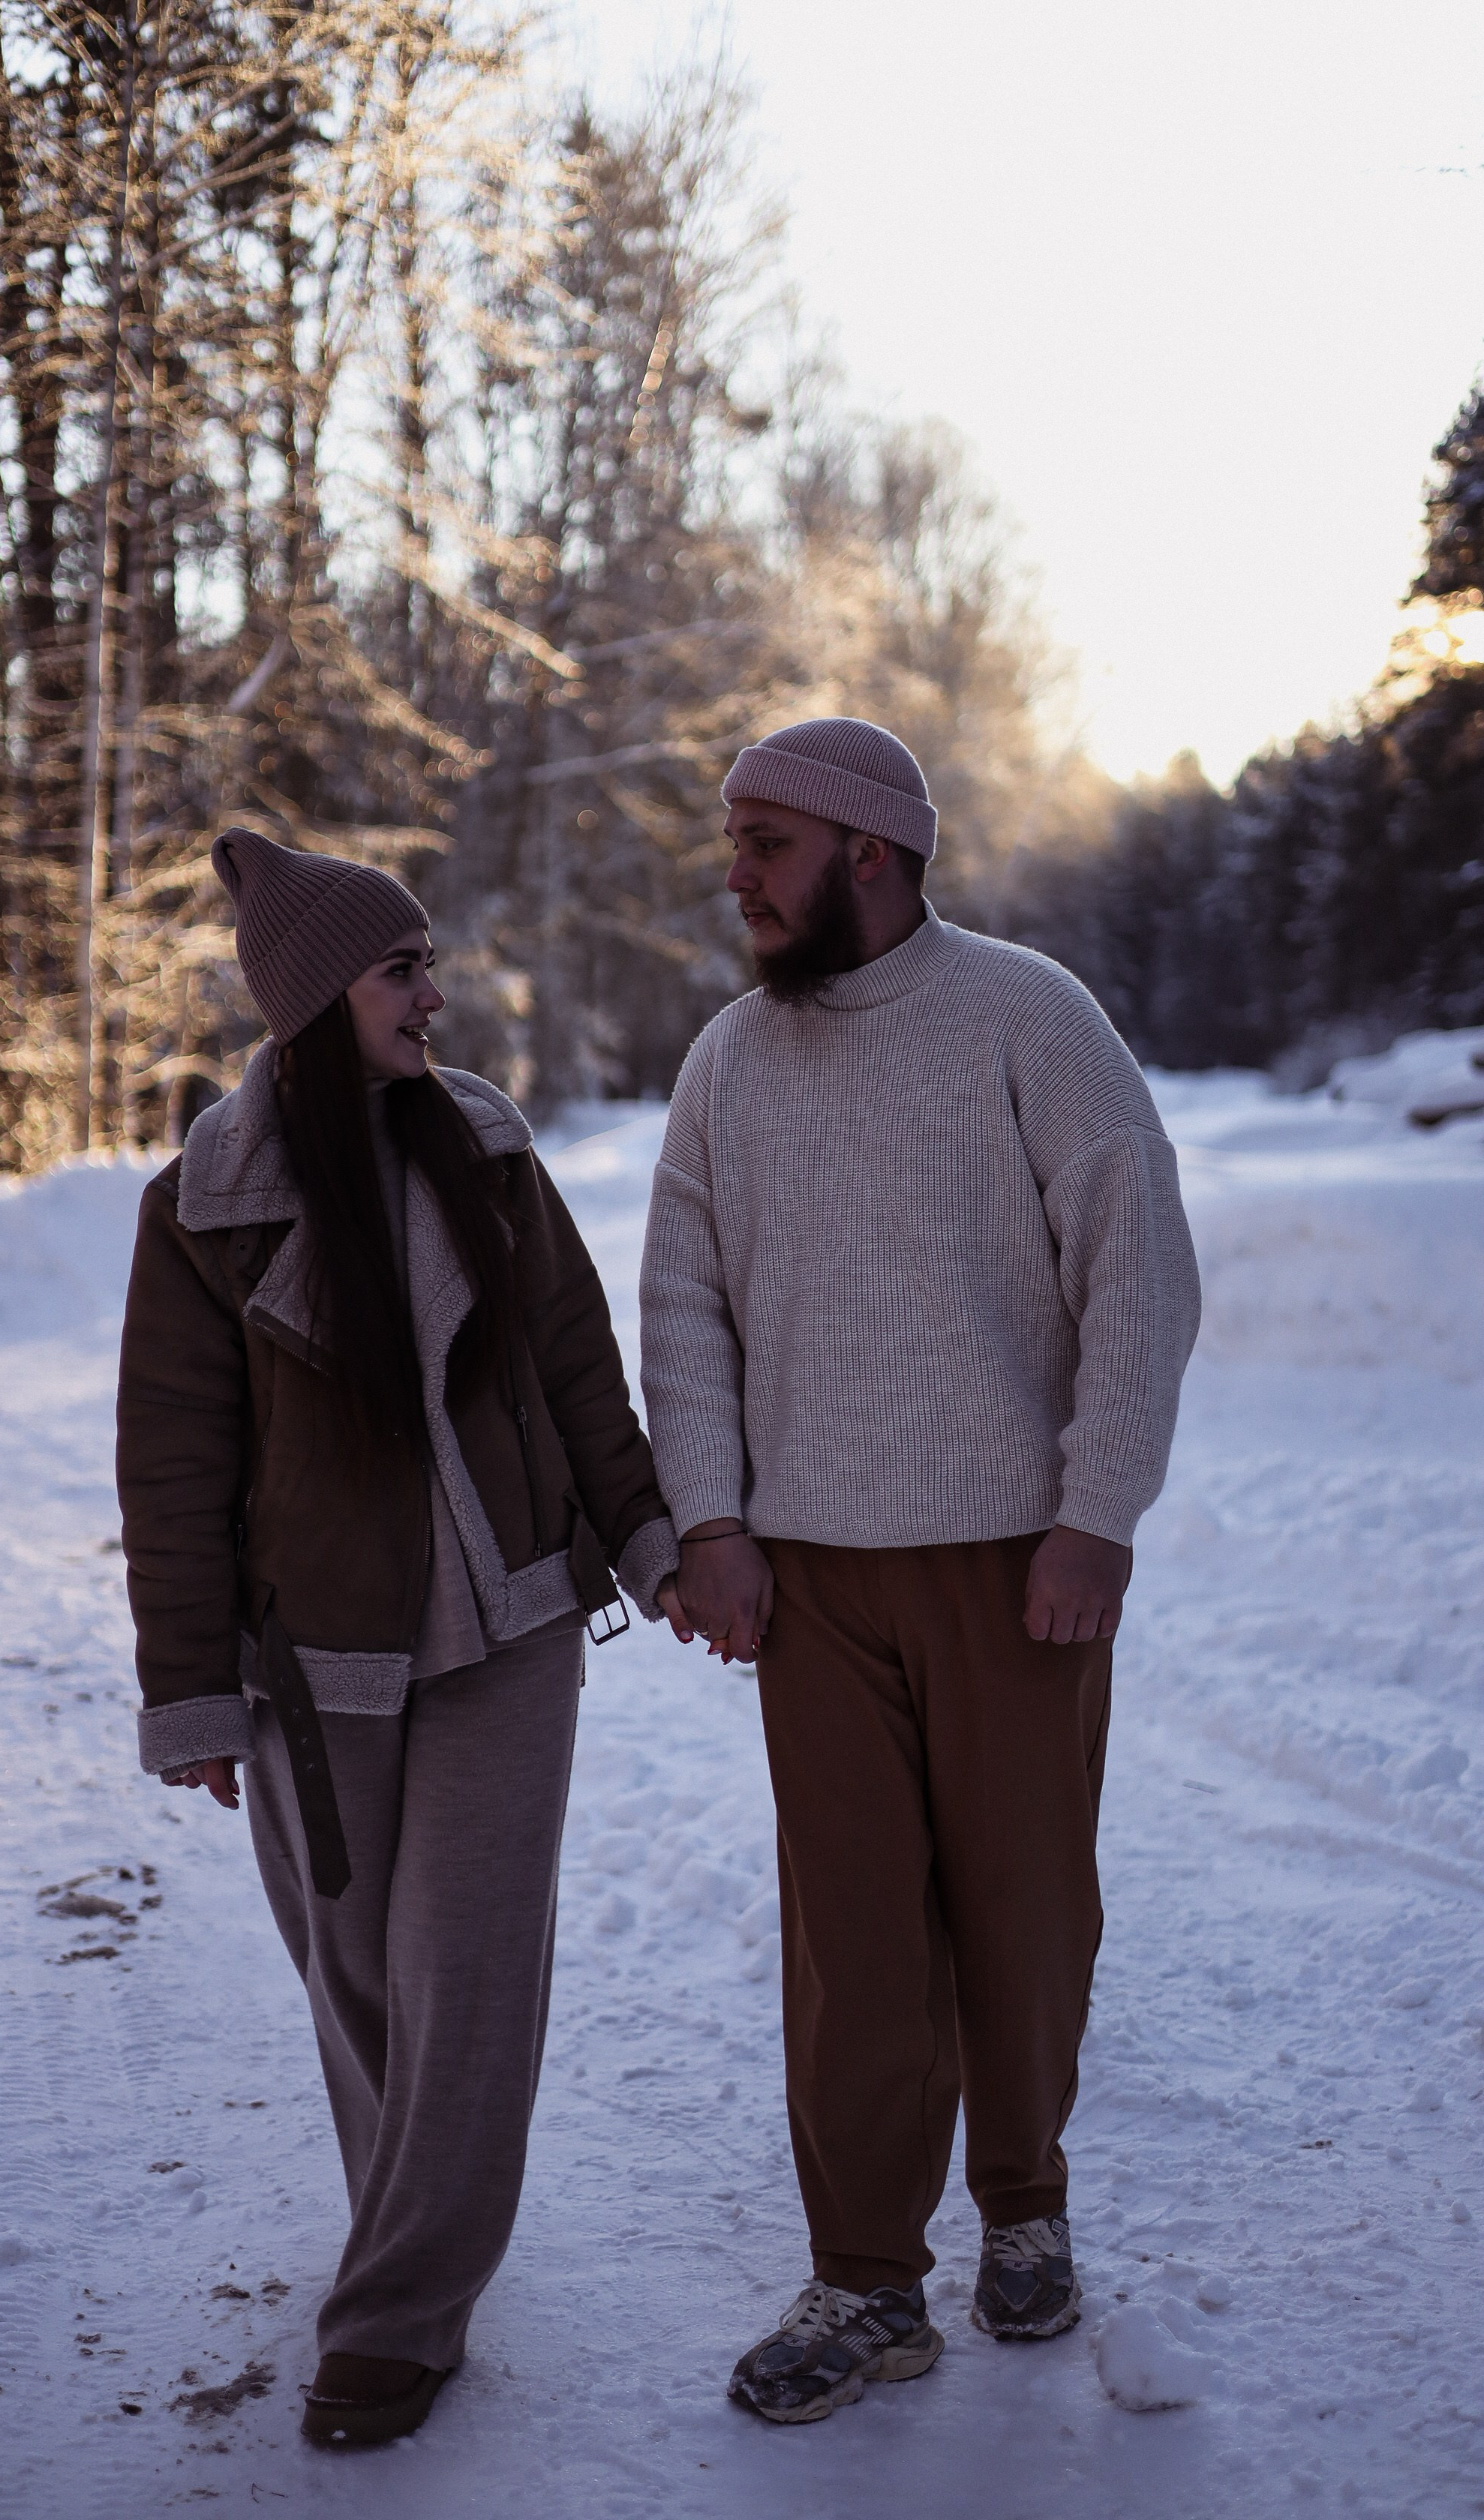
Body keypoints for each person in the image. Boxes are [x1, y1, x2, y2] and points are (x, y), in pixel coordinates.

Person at [638, 718, 1201, 2426]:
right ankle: (868, 2279)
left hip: (1012, 1569)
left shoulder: (1030, 1016)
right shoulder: (728, 1060)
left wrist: (1096, 1513)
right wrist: (712, 1523)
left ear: (869, 852)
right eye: (733, 841)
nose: (734, 874)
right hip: (813, 1583)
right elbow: (684, 1308)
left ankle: (1024, 2208)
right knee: (853, 1939)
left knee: (1024, 1910)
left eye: (765, 843)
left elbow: (1139, 1267)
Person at [116, 829, 677, 2447]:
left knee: (465, 1978)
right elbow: (175, 1467)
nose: (436, 996)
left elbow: (576, 1368)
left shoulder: (484, 1148)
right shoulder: (205, 1208)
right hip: (314, 1663)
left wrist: (655, 1544)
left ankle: (398, 2314)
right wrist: (191, 1693)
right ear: (315, 1001)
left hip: (511, 1625)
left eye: (428, 966)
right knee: (357, 1980)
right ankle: (408, 2224)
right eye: (401, 971)